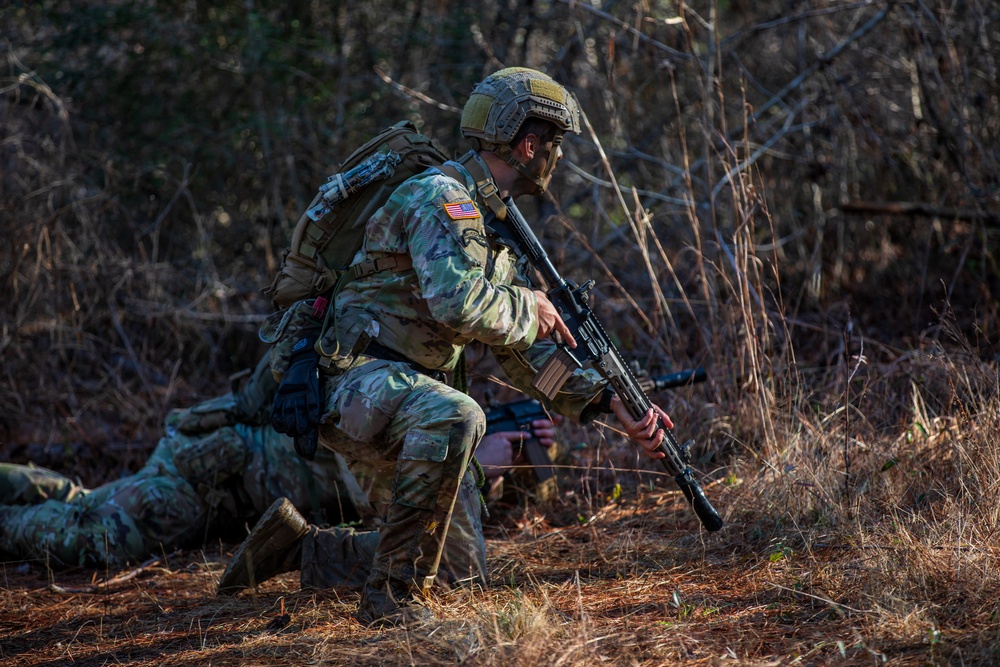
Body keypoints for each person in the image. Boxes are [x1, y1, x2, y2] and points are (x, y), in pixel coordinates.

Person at [250, 67, 674, 627]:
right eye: (554, 144)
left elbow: (518, 356)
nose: (557, 157)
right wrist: (533, 307)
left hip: (398, 398)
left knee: (460, 572)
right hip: (354, 382)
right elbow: (459, 304)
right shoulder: (442, 198)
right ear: (529, 144)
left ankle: (302, 551)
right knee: (458, 414)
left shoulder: (492, 225)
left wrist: (604, 402)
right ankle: (391, 602)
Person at [0, 355, 554, 572]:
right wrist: (479, 465)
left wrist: (509, 470)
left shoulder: (437, 422)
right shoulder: (384, 405)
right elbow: (380, 490)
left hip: (226, 481)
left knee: (89, 503)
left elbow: (447, 520)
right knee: (105, 539)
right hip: (212, 473)